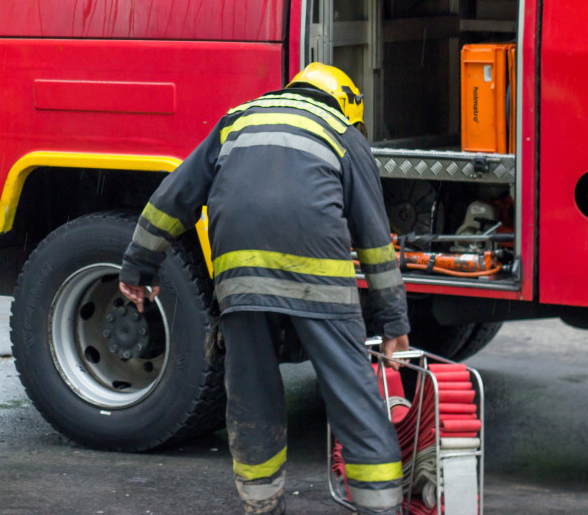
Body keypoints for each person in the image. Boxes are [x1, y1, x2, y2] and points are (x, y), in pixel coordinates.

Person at [118, 63, 410, 515]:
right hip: (320, 284)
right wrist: (393, 323)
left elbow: (173, 198)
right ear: (349, 104)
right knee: (354, 398)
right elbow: (375, 242)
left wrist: (139, 267)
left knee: (252, 398)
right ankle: (381, 508)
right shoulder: (343, 132)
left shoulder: (237, 120)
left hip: (241, 280)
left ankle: (262, 506)